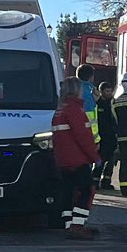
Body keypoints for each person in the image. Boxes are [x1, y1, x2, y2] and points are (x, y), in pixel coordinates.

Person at [51, 77, 101, 237]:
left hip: (63, 160)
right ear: (76, 90)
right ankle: (78, 225)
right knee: (86, 190)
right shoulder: (75, 110)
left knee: (68, 191)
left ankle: (69, 224)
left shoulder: (60, 110)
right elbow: (83, 137)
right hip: (77, 159)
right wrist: (95, 157)